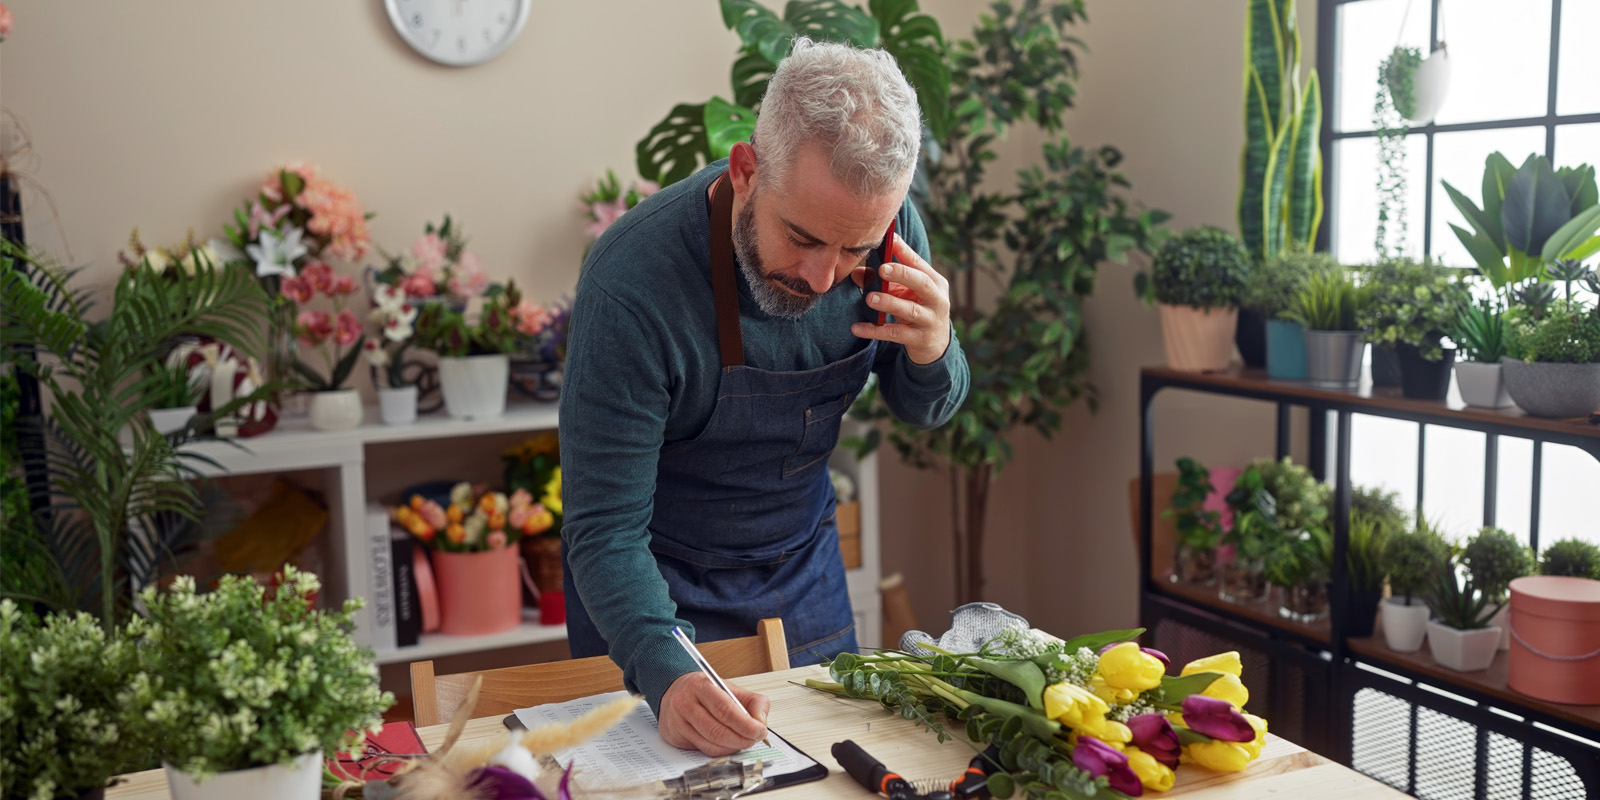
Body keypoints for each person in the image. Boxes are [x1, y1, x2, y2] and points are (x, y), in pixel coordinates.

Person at [558, 37, 969, 757]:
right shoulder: (634, 284)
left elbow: (925, 406)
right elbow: (603, 530)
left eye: (853, 252)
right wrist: (665, 666)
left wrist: (938, 351)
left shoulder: (889, 235)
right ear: (746, 170)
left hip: (803, 575)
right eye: (803, 237)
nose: (821, 277)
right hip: (650, 591)